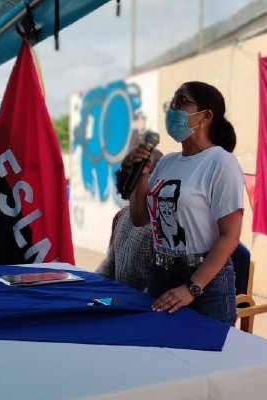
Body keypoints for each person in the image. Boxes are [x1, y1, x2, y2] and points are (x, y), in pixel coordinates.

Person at [127, 81, 243, 324]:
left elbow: (230, 237)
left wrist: (192, 288)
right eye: (172, 103)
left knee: (208, 358)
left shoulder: (221, 163)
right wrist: (143, 175)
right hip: (160, 273)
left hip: (204, 282)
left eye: (182, 102)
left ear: (206, 116)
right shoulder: (167, 162)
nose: (173, 109)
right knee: (161, 352)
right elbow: (140, 219)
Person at [95, 149, 162, 292]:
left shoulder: (161, 223)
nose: (129, 174)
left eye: (140, 168)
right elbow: (111, 264)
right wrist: (89, 286)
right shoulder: (123, 214)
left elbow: (160, 281)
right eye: (126, 167)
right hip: (120, 301)